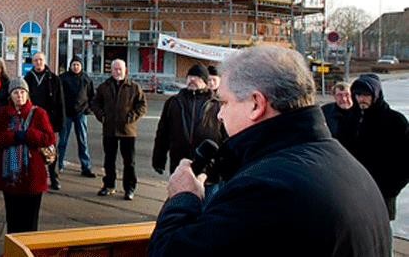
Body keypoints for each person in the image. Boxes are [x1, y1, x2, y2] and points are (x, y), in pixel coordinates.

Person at [148, 45, 391, 256]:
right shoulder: (344, 163)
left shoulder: (266, 187)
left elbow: (169, 251)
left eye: (225, 102)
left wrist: (183, 197)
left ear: (256, 104)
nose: (220, 114)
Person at [0, 78, 55, 234]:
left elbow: (49, 138)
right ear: (10, 96)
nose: (19, 95)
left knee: (30, 220)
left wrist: (29, 134)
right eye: (15, 92)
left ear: (27, 94)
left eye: (22, 92)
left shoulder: (39, 113)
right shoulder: (3, 113)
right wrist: (14, 136)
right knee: (13, 218)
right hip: (10, 175)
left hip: (33, 174)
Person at [344, 73, 409, 221]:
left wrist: (392, 188)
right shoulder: (350, 118)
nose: (361, 99)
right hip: (354, 188)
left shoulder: (395, 121)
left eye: (366, 95)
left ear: (376, 95)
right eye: (358, 95)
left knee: (381, 228)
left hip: (383, 191)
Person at [152, 65, 224, 176]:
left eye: (197, 77)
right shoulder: (174, 102)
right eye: (190, 76)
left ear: (205, 81)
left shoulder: (217, 104)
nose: (192, 79)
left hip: (208, 164)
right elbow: (163, 133)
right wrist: (159, 159)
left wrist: (225, 162)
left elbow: (226, 134)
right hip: (179, 161)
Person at [90, 59, 145, 199]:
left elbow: (142, 105)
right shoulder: (104, 87)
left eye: (120, 69)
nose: (118, 71)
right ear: (111, 70)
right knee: (109, 160)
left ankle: (129, 188)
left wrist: (131, 117)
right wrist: (102, 116)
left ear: (125, 70)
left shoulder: (134, 87)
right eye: (115, 69)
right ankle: (109, 185)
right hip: (109, 130)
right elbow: (95, 103)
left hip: (128, 131)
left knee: (129, 162)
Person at [23, 52, 65, 190]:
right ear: (32, 62)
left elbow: (60, 102)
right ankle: (33, 177)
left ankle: (54, 177)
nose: (38, 63)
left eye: (40, 60)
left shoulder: (54, 79)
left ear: (45, 61)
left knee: (51, 149)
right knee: (32, 150)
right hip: (32, 119)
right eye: (35, 60)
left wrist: (60, 123)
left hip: (50, 120)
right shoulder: (28, 78)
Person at [58, 58, 96, 178]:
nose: (75, 67)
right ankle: (58, 165)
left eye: (78, 65)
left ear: (81, 66)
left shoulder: (86, 79)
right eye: (74, 64)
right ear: (70, 66)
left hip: (81, 113)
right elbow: (58, 95)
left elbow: (92, 96)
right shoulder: (63, 78)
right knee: (62, 141)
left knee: (83, 141)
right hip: (66, 114)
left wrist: (88, 109)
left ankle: (86, 167)